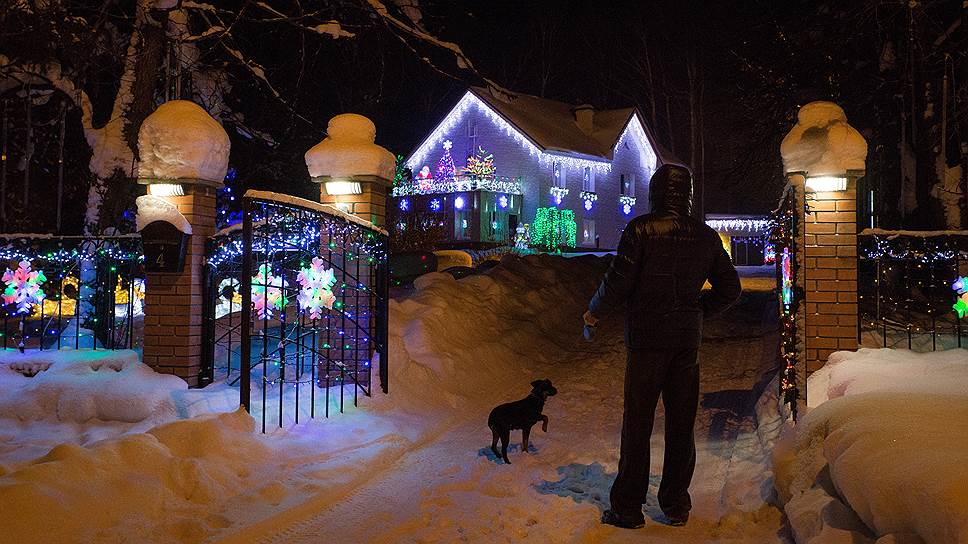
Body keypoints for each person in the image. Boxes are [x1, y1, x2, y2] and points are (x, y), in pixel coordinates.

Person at [583, 164, 741, 529]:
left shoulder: (641, 230)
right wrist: (699, 310)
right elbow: (730, 289)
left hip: (646, 342)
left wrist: (593, 312)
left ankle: (627, 508)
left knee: (637, 423)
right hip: (685, 342)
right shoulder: (705, 237)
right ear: (687, 195)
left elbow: (617, 283)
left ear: (656, 193)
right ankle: (675, 504)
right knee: (681, 423)